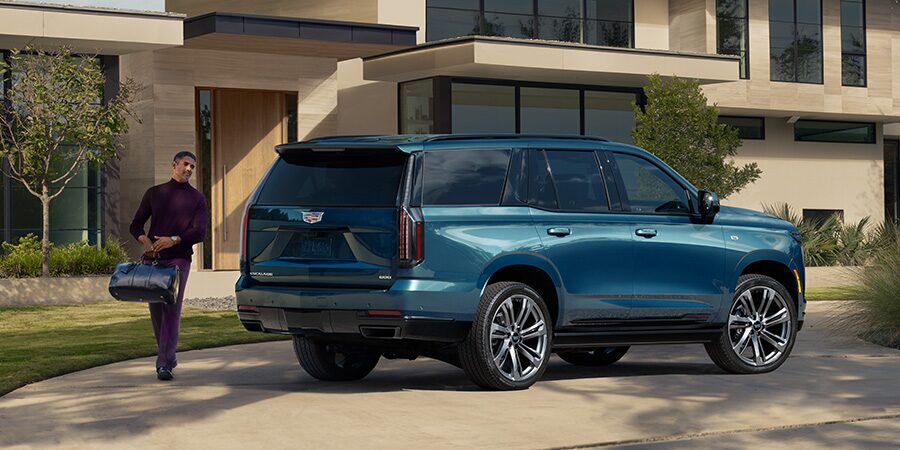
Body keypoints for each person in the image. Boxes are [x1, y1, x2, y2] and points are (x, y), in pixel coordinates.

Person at [130, 151, 208, 381]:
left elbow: (199, 232)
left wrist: (173, 240)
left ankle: (163, 363)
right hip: (153, 260)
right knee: (156, 311)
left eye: (192, 166)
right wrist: (145, 241)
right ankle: (168, 357)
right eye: (185, 164)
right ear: (174, 164)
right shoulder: (155, 193)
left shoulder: (197, 198)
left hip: (179, 260)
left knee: (171, 309)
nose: (189, 170)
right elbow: (136, 224)